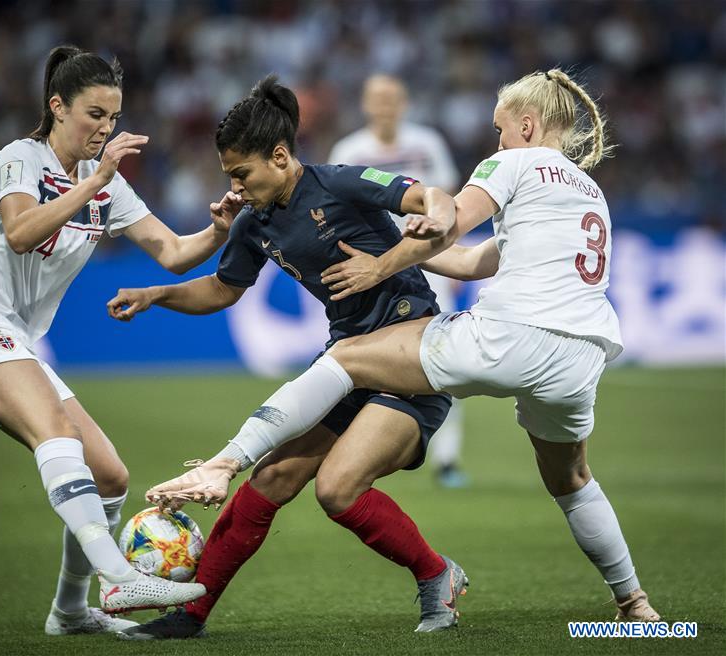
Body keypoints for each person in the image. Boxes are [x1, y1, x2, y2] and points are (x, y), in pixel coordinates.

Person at [148, 69, 660, 623]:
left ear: (528, 125)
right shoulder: (588, 193)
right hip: (582, 356)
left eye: (500, 129)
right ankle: (635, 602)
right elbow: (469, 259)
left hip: (501, 337)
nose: (497, 141)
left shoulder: (511, 162)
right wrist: (398, 244)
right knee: (570, 480)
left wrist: (381, 264)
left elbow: (446, 225)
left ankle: (222, 464)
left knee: (342, 359)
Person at [108, 75, 467, 640]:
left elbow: (429, 197)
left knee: (336, 489)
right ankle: (191, 614)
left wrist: (430, 225)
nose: (234, 186)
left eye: (241, 173)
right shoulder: (254, 222)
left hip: (410, 357)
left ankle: (436, 573)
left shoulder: (341, 183)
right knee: (272, 476)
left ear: (279, 157)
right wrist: (157, 296)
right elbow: (223, 290)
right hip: (347, 361)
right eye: (229, 174)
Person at [0, 45, 236, 636]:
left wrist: (217, 228)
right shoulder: (20, 159)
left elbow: (173, 253)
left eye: (112, 118)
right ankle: (118, 577)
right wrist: (98, 183)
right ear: (57, 107)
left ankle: (68, 611)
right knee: (56, 434)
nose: (104, 129)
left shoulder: (104, 184)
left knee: (110, 475)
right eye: (94, 114)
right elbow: (18, 232)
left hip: (12, 338)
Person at [328, 73, 469, 488]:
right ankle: (362, 447)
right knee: (365, 359)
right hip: (374, 265)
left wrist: (456, 257)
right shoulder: (350, 150)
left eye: (392, 98)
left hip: (429, 261)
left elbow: (452, 204)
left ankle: (447, 459)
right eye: (377, 99)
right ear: (366, 105)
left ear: (403, 102)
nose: (385, 106)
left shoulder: (427, 143)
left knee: (448, 359)